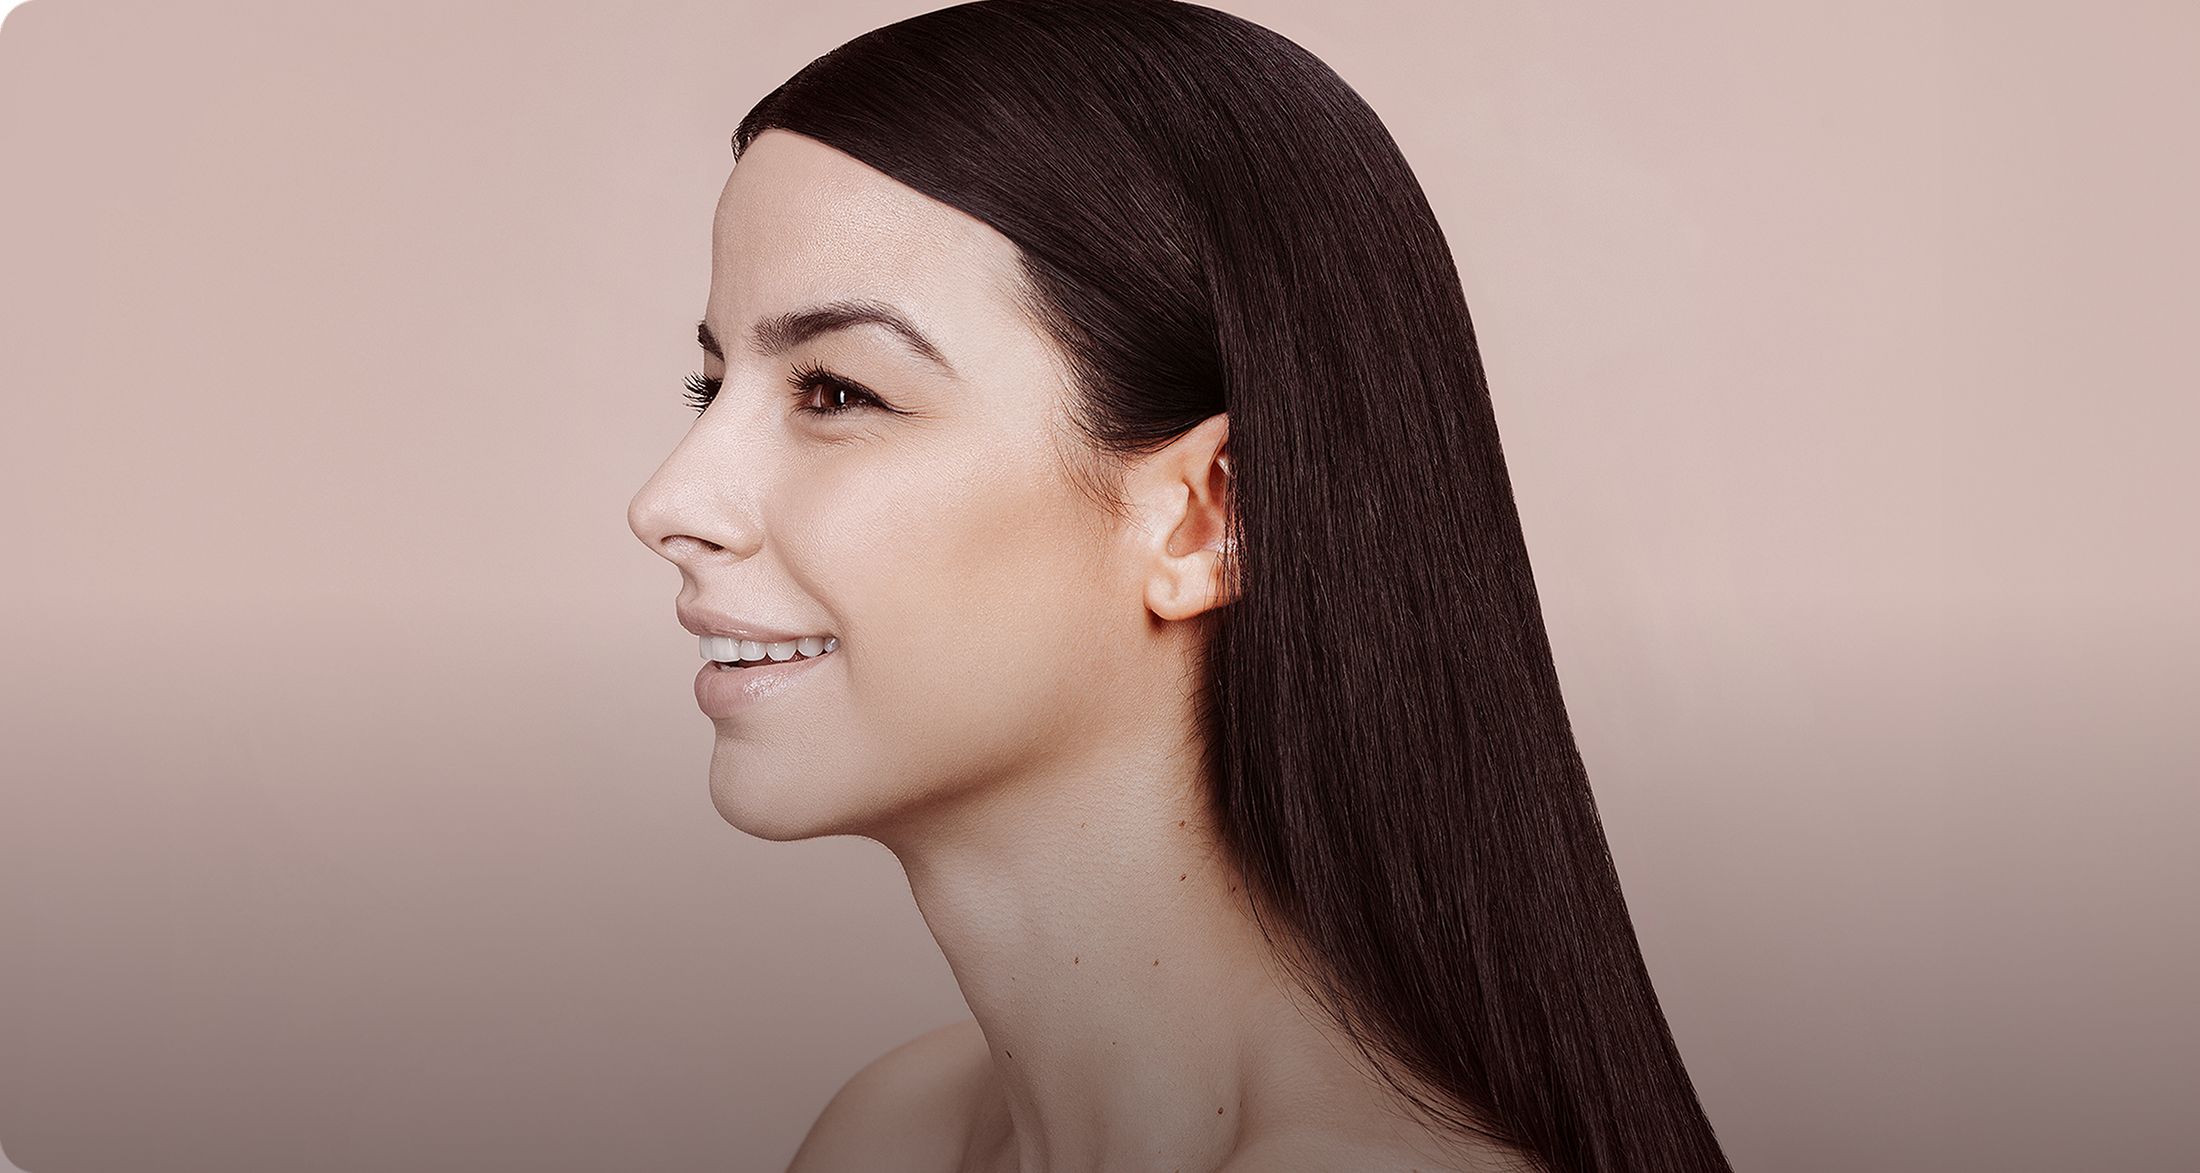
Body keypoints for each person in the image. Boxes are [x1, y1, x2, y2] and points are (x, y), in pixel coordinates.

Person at [627, 2, 1733, 1170]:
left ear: (1207, 517)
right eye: (711, 390)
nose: (667, 504)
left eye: (838, 393)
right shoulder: (889, 1136)